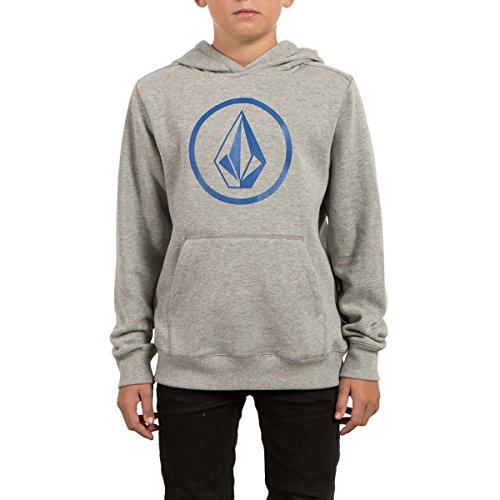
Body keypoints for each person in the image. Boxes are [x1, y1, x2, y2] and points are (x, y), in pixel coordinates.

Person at [110, 1, 389, 498]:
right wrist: (133, 359)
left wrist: (364, 354)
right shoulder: (158, 93)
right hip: (191, 356)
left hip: (306, 354)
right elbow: (140, 234)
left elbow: (357, 226)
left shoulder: (331, 90)